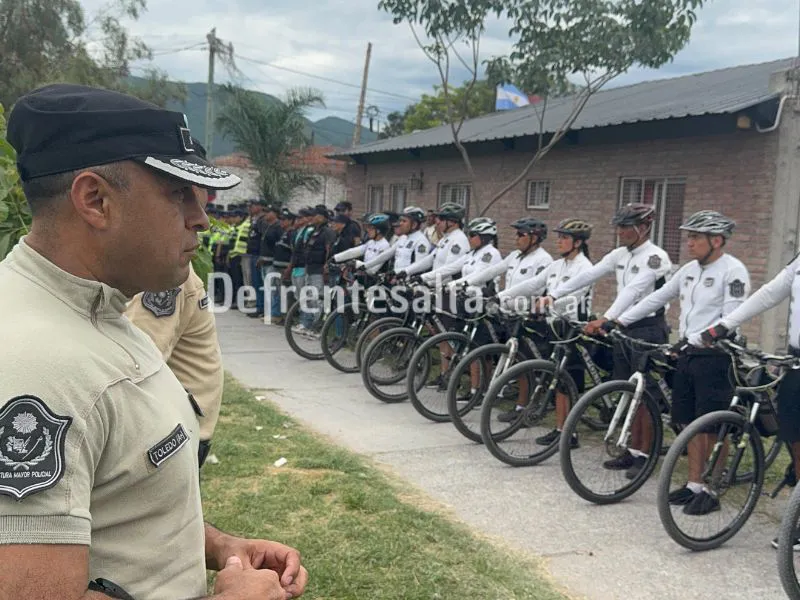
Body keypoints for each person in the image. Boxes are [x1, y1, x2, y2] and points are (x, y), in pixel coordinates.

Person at [0, 83, 307, 599]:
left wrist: (214, 546)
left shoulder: (100, 310)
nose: (201, 218)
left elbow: (117, 505)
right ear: (95, 200)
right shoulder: (36, 364)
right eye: (177, 193)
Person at [609, 211, 749, 512]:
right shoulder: (688, 270)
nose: (689, 243)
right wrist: (619, 320)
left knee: (712, 425)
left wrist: (702, 337)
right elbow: (656, 298)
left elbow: (731, 316)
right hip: (687, 352)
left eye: (695, 237)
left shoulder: (733, 271)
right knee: (688, 423)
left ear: (716, 240)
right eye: (689, 237)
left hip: (715, 356)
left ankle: (712, 490)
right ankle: (694, 484)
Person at [540, 203, 673, 479]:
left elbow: (636, 290)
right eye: (619, 227)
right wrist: (554, 294)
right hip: (624, 327)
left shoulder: (656, 258)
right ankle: (631, 449)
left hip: (648, 328)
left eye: (626, 227)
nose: (621, 232)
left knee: (644, 395)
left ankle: (644, 454)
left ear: (644, 227)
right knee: (628, 392)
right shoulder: (620, 254)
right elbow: (589, 275)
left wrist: (608, 318)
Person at [125, 139, 224, 469]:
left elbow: (137, 362)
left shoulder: (170, 277)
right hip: (179, 425)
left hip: (178, 429)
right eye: (183, 196)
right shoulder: (165, 271)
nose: (201, 218)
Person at [491, 219, 594, 445]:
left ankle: (570, 433)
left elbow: (573, 297)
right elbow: (534, 284)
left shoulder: (585, 268)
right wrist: (502, 296)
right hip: (554, 327)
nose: (559, 242)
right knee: (557, 381)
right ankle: (560, 430)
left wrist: (547, 304)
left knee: (568, 383)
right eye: (558, 237)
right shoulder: (557, 265)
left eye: (564, 238)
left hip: (573, 329)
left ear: (577, 242)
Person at [394, 202, 469, 281]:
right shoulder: (446, 238)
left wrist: (424, 279)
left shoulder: (459, 240)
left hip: (446, 288)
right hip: (435, 285)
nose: (437, 222)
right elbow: (430, 259)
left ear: (452, 222)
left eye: (441, 219)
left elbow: (448, 271)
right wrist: (405, 271)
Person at [362, 206, 432, 274]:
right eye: (400, 220)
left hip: (410, 283)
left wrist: (397, 273)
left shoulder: (421, 241)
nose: (400, 223)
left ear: (414, 224)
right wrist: (365, 265)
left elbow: (419, 266)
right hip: (396, 282)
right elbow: (385, 255)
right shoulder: (403, 238)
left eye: (404, 221)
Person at [254, 205, 282, 320]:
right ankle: (268, 312)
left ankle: (274, 313)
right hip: (264, 261)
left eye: (268, 212)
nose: (266, 215)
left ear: (275, 214)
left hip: (272, 262)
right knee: (267, 288)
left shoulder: (278, 227)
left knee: (273, 289)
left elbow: (278, 247)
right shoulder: (267, 226)